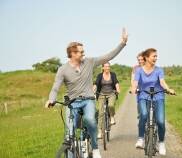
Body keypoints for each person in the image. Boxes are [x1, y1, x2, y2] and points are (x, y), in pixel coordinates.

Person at [45, 28, 128, 158]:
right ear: (72, 53)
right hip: (72, 103)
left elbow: (108, 56)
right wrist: (51, 99)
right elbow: (55, 87)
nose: (84, 53)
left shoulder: (89, 62)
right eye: (81, 51)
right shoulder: (62, 69)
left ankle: (95, 149)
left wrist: (122, 43)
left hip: (88, 100)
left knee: (89, 120)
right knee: (69, 133)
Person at [131, 48, 175, 155]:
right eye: (153, 56)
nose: (156, 58)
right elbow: (135, 82)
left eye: (156, 56)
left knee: (160, 121)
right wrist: (133, 89)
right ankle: (141, 138)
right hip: (143, 95)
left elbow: (162, 82)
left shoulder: (159, 70)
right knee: (144, 115)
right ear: (146, 57)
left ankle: (161, 143)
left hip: (158, 96)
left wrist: (168, 89)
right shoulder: (139, 71)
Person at [93, 62, 120, 138]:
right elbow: (96, 84)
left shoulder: (113, 74)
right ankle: (99, 131)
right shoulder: (100, 75)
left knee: (111, 105)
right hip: (101, 94)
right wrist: (93, 91)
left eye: (108, 66)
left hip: (111, 94)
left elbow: (116, 82)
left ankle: (111, 116)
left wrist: (118, 89)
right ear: (103, 68)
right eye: (106, 66)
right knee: (101, 113)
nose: (107, 68)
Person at [131, 52, 145, 118]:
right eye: (139, 60)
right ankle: (140, 113)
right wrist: (133, 88)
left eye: (141, 59)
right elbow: (133, 79)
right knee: (139, 102)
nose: (140, 61)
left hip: (148, 88)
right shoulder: (135, 68)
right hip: (139, 88)